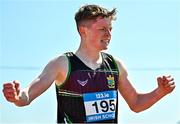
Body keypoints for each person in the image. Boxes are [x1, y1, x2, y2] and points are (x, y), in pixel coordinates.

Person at [2, 4, 175, 123]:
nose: (108, 34)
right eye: (102, 29)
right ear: (83, 31)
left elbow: (136, 103)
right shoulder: (63, 63)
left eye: (110, 29)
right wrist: (17, 97)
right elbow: (28, 95)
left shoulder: (115, 65)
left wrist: (161, 91)